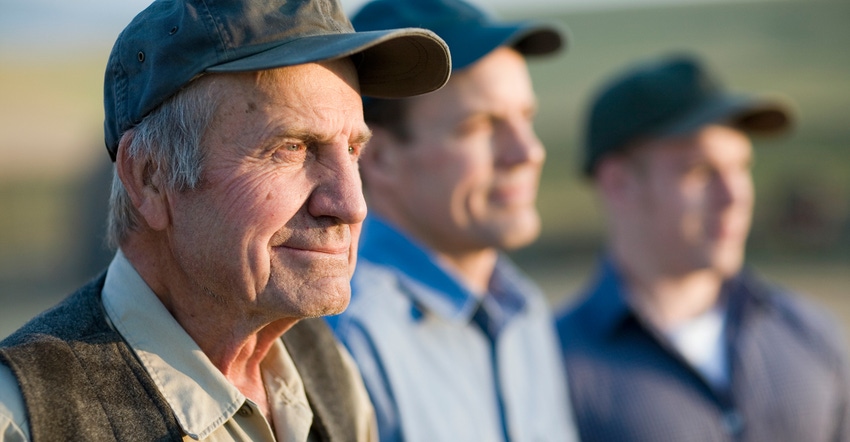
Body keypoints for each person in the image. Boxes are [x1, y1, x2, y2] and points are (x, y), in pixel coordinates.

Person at [0, 0, 451, 440]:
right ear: (150, 178)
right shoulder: (27, 416)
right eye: (291, 148)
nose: (351, 205)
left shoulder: (327, 372)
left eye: (353, 150)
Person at [556, 53, 850, 441]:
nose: (734, 195)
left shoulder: (812, 335)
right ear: (618, 183)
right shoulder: (554, 367)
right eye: (700, 171)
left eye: (741, 167)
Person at [326, 0, 577, 441]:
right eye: (481, 127)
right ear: (379, 157)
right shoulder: (351, 335)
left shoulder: (523, 310)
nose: (527, 152)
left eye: (526, 118)